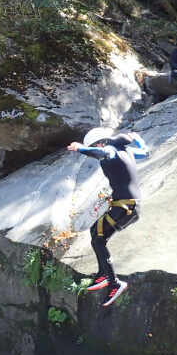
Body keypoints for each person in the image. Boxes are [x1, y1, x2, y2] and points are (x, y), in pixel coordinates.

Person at [68, 128, 149, 306]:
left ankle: (114, 282)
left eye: (94, 145)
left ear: (100, 142)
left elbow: (102, 152)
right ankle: (104, 274)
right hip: (129, 206)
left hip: (125, 206)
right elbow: (145, 152)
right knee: (98, 236)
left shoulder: (109, 150)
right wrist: (138, 139)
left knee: (97, 239)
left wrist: (81, 148)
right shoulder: (126, 151)